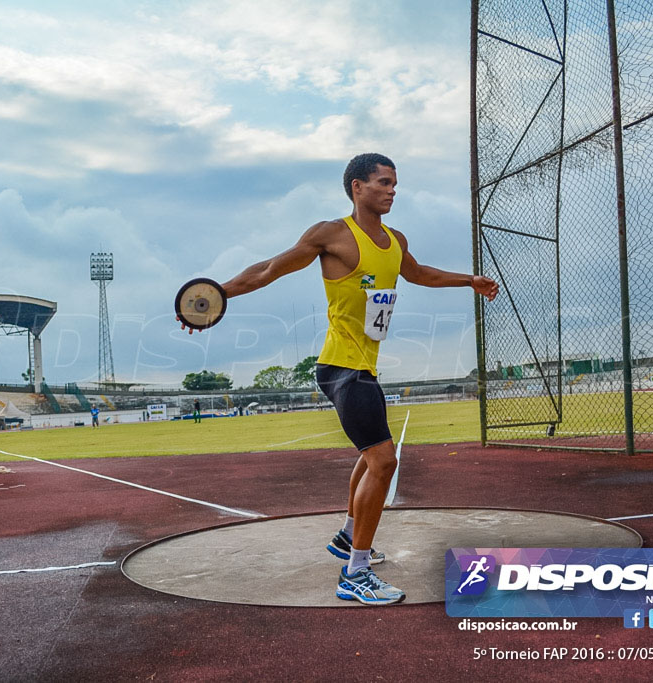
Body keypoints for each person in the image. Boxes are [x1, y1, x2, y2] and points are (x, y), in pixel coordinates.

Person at [179, 153, 498, 605]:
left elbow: (420, 273)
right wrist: (213, 295)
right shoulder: (331, 235)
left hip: (363, 366)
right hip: (341, 366)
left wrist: (469, 280)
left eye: (394, 184)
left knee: (372, 456)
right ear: (357, 187)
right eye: (383, 183)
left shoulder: (394, 239)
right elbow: (269, 270)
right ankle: (356, 574)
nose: (391, 190)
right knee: (384, 461)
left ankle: (350, 537)